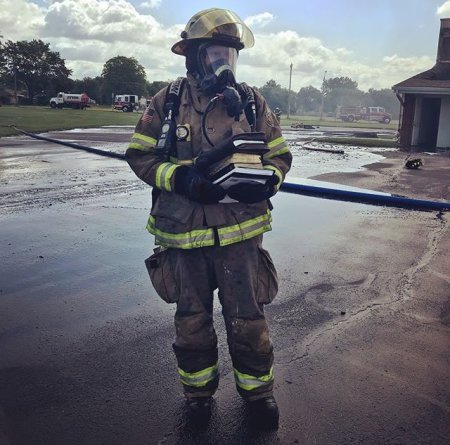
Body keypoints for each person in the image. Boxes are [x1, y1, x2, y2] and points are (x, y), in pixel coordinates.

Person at [125, 8, 292, 429]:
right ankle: (198, 395)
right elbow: (140, 155)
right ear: (195, 56)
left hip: (241, 235)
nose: (224, 64)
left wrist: (268, 181)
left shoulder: (252, 102)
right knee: (192, 320)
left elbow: (279, 155)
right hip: (184, 235)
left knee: (248, 319)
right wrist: (180, 179)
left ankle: (258, 395)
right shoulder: (167, 102)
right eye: (216, 54)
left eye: (230, 55)